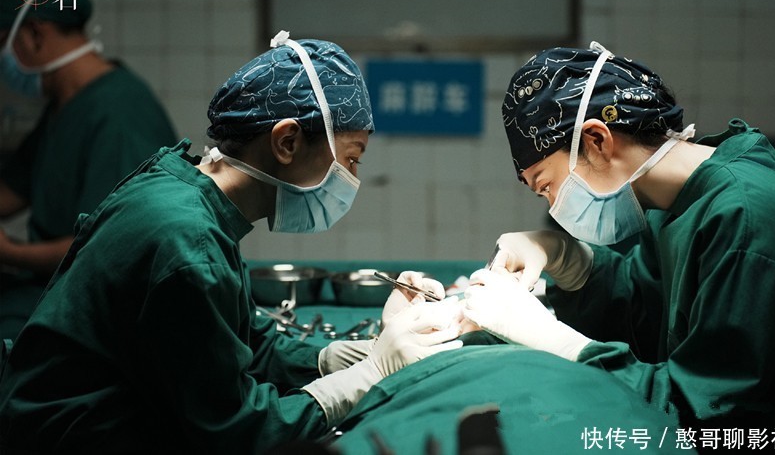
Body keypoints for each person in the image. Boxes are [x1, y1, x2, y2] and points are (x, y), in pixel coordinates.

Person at [0, 31, 463, 454]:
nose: (352, 178)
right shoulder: (186, 242)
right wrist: (369, 375)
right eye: (351, 159)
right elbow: (236, 433)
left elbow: (244, 343)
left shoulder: (190, 195)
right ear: (287, 142)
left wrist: (339, 358)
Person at [462, 42, 775, 430]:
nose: (554, 207)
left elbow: (708, 415)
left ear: (597, 140)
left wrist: (558, 342)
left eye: (546, 187)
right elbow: (649, 317)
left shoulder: (745, 221)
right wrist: (572, 263)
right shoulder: (677, 202)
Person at [0, 0, 177, 338]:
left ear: (34, 34)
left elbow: (108, 245)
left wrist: (11, 252)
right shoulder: (65, 103)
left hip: (100, 312)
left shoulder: (120, 114)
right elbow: (15, 189)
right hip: (57, 290)